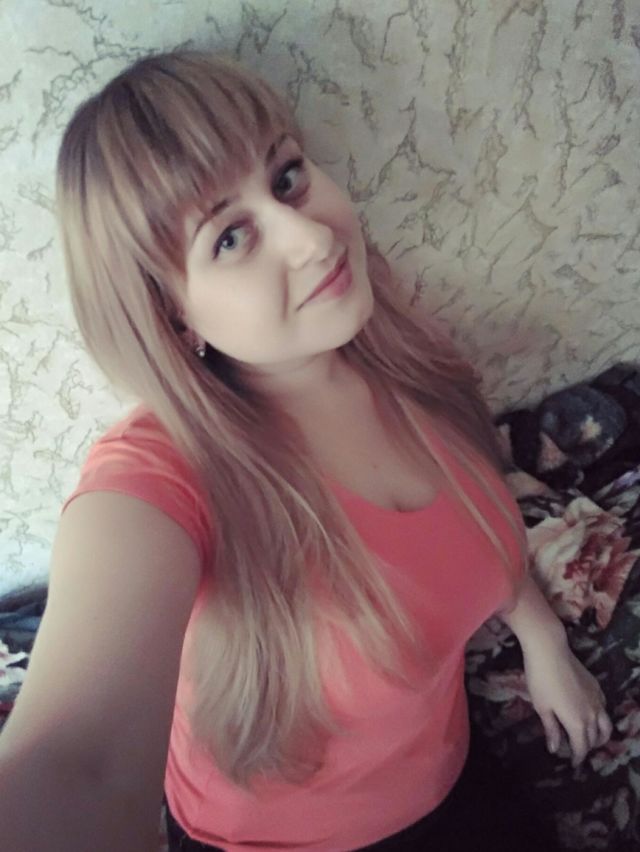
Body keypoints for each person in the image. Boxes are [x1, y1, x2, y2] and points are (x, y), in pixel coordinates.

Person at [0, 50, 612, 852]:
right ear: (171, 313)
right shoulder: (162, 474)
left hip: (454, 777)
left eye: (286, 177)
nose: (313, 236)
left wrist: (543, 640)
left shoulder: (404, 355)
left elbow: (471, 536)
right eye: (230, 237)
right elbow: (80, 765)